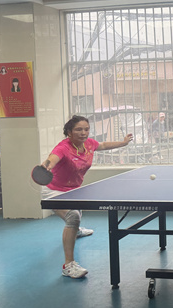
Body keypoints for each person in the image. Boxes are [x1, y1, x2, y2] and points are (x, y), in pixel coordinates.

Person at [40, 115, 133, 279]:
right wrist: (46, 167)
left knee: (76, 214)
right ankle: (68, 266)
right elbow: (52, 159)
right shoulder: (63, 147)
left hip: (74, 190)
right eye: (78, 129)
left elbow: (103, 145)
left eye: (86, 129)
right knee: (73, 216)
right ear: (69, 132)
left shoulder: (89, 144)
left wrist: (123, 143)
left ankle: (75, 231)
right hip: (54, 191)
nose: (83, 133)